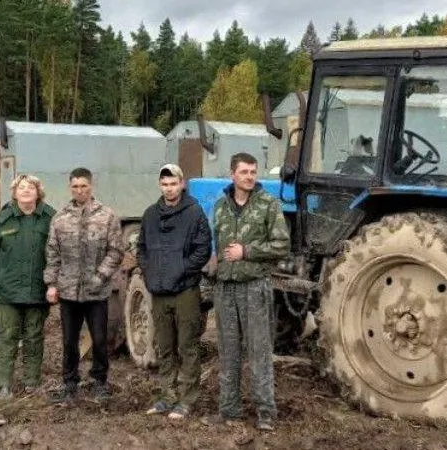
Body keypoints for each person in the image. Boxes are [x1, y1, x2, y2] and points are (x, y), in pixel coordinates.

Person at [201, 152, 290, 431]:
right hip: (226, 288)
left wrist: (247, 251)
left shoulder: (268, 205)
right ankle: (229, 410)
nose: (249, 176)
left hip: (254, 288)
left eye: (253, 172)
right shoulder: (220, 206)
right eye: (244, 172)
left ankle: (265, 413)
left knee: (259, 351)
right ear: (232, 175)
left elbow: (281, 245)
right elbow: (217, 246)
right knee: (228, 352)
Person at [44, 167, 125, 404]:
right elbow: (52, 253)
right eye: (75, 186)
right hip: (68, 291)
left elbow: (116, 250)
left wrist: (101, 276)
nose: (80, 190)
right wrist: (51, 283)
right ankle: (70, 382)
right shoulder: (60, 218)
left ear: (91, 186)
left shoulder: (106, 216)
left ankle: (100, 381)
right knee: (69, 341)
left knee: (99, 339)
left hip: (96, 291)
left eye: (84, 186)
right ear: (70, 187)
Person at [138, 164, 211, 420]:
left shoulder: (194, 213)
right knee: (164, 345)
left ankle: (186, 399)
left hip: (185, 290)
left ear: (182, 184)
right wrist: (149, 272)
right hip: (159, 292)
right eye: (164, 184)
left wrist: (181, 269)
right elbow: (142, 249)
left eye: (173, 183)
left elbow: (203, 249)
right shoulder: (150, 215)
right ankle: (166, 395)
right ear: (160, 186)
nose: (169, 189)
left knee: (187, 345)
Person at [0, 174, 56, 400]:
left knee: (34, 336)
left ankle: (32, 381)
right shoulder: (2, 219)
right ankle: (3, 384)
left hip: (37, 289)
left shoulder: (50, 218)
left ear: (38, 192)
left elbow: (57, 253)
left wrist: (55, 285)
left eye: (30, 187)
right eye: (21, 188)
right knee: (6, 336)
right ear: (14, 193)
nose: (25, 191)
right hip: (7, 291)